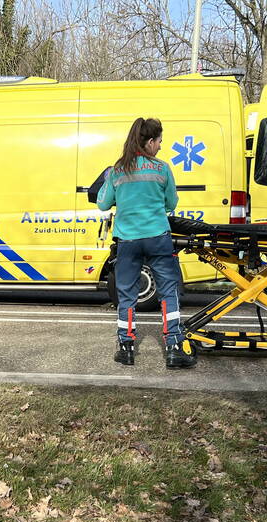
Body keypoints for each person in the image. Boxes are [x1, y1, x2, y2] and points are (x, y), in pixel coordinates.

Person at [97, 117, 196, 369]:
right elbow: (171, 203)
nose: (161, 146)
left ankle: (126, 348)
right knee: (168, 290)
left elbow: (103, 203)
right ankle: (174, 348)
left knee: (127, 293)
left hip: (128, 240)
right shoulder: (161, 169)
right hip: (157, 237)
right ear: (150, 141)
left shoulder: (118, 170)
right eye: (160, 141)